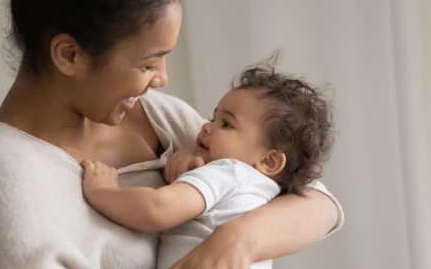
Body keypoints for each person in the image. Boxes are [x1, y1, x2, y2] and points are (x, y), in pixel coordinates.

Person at [0, 0, 343, 268]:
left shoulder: (158, 116)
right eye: (148, 63)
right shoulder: (0, 171)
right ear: (70, 55)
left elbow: (318, 203)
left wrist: (237, 240)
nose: (162, 80)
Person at [81, 61, 341, 269]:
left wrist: (103, 192)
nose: (206, 126)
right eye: (213, 117)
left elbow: (156, 209)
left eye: (226, 124)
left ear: (269, 160)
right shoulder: (267, 191)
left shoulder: (228, 172)